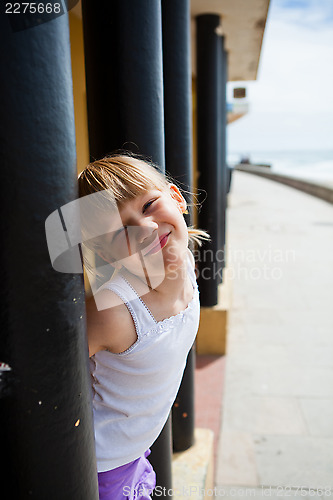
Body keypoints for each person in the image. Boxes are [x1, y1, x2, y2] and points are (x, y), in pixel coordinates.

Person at [78, 153, 209, 500]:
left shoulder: (185, 261)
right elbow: (46, 375)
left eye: (149, 204)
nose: (146, 229)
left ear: (177, 199)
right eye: (121, 230)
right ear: (107, 255)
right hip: (101, 465)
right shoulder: (115, 312)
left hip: (135, 450)